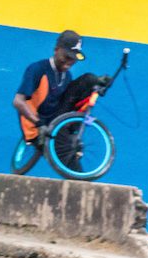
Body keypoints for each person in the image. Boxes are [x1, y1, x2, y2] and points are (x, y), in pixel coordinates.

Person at [13, 30, 99, 171]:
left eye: (73, 59)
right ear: (56, 50)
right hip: (38, 126)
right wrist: (39, 124)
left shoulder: (67, 76)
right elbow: (18, 102)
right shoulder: (37, 69)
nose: (69, 62)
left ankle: (70, 135)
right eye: (67, 56)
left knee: (90, 80)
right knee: (74, 169)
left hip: (55, 123)